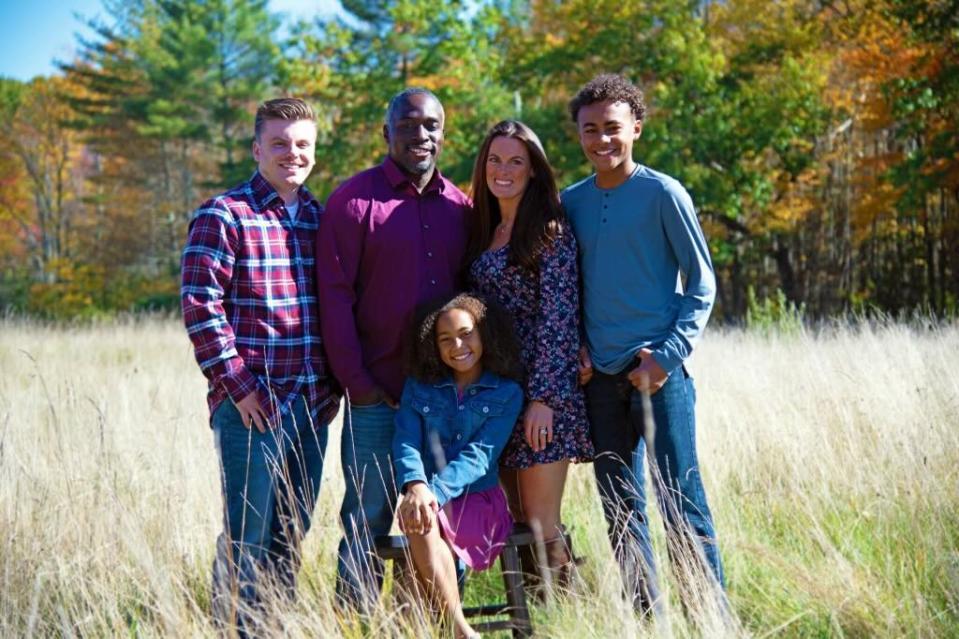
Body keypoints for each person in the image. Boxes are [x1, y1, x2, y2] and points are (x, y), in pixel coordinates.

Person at [562, 74, 725, 614]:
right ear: (578, 136)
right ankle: (646, 620)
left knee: (683, 504)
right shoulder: (571, 203)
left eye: (613, 128)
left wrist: (668, 355)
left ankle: (709, 618)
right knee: (620, 510)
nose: (602, 140)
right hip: (600, 381)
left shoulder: (663, 193)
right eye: (591, 130)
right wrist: (580, 349)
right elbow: (570, 289)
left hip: (658, 373)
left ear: (636, 126)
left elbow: (701, 282)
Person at [181, 98, 339, 634]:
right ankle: (235, 628)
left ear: (314, 152)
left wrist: (333, 387)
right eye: (279, 143)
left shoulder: (322, 218)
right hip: (254, 404)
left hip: (312, 403)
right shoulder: (224, 215)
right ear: (257, 149)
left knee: (292, 531)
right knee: (247, 532)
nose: (291, 154)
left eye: (302, 145)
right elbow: (200, 305)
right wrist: (239, 386)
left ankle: (275, 625)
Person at [316, 88, 471, 609]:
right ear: (386, 134)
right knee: (367, 520)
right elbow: (334, 302)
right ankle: (354, 622)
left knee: (440, 522)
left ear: (442, 134)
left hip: (445, 401)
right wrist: (359, 386)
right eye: (407, 125)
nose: (420, 135)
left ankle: (423, 624)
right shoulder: (353, 203)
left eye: (430, 125)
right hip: (377, 398)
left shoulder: (461, 207)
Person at [465, 120, 594, 591]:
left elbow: (558, 322)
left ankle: (578, 613)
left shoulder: (550, 232)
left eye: (516, 161)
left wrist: (543, 400)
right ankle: (534, 618)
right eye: (495, 160)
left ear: (534, 170)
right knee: (514, 521)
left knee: (542, 524)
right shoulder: (484, 228)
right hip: (496, 397)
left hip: (544, 398)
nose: (504, 169)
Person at [392, 292, 524, 639]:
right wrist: (416, 485)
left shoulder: (507, 392)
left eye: (466, 334)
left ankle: (441, 628)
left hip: (477, 501)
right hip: (426, 498)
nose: (457, 345)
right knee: (421, 517)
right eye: (445, 339)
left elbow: (480, 456)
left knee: (422, 517)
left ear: (483, 334)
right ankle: (458, 628)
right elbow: (405, 440)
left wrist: (430, 493)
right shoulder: (419, 387)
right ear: (432, 345)